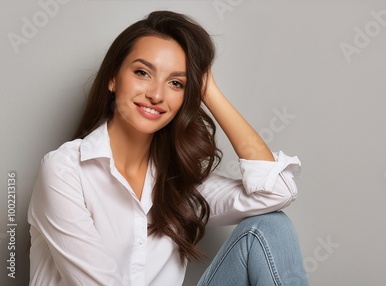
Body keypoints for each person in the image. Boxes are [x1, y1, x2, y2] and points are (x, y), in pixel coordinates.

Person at [27, 10, 308, 286]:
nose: (157, 95)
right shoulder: (65, 171)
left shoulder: (178, 184)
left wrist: (209, 90)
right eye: (142, 72)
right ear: (113, 78)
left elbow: (277, 192)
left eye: (176, 83)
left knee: (272, 225)